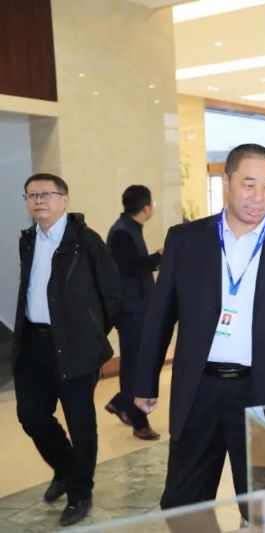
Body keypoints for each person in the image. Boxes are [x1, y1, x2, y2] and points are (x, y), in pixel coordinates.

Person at [133, 144, 265, 516]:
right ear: (227, 182)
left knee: (264, 506)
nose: (259, 197)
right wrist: (145, 381)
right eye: (249, 185)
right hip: (198, 389)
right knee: (183, 504)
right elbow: (160, 315)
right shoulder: (185, 240)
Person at [12, 173, 121, 527]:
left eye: (46, 194)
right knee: (31, 416)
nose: (38, 200)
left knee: (80, 422)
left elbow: (112, 295)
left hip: (75, 347)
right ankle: (65, 468)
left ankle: (80, 493)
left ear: (64, 199)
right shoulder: (29, 240)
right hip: (34, 344)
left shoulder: (86, 241)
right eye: (32, 195)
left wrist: (91, 334)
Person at [104, 185, 162, 440]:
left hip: (137, 308)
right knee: (136, 367)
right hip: (131, 310)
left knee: (136, 364)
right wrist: (157, 258)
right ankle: (138, 421)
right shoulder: (122, 233)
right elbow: (128, 269)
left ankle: (121, 403)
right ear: (146, 208)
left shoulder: (129, 228)